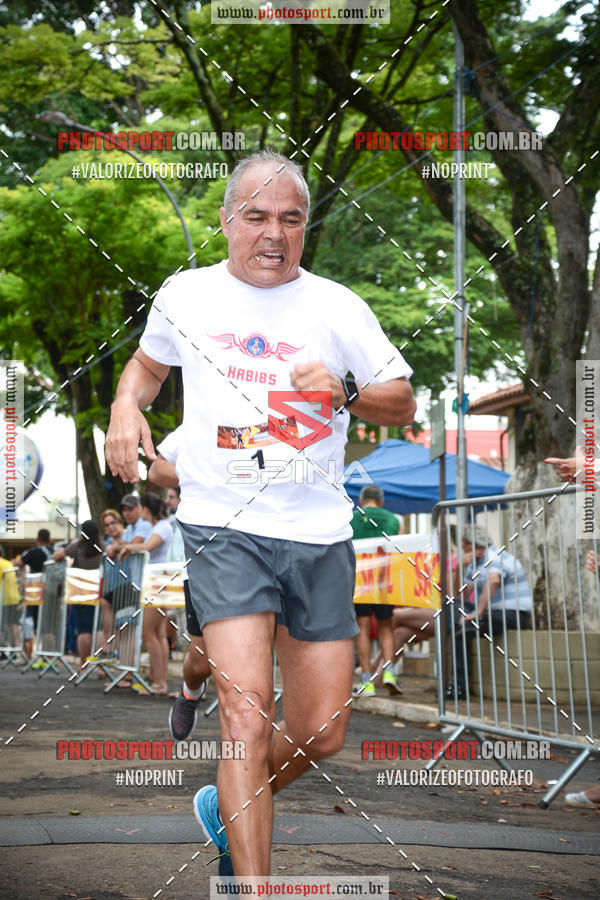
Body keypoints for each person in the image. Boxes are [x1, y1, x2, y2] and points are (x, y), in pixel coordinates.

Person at [105, 149, 416, 880]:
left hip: (316, 535)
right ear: (225, 222)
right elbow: (148, 367)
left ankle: (228, 806)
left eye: (290, 218)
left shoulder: (338, 307)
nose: (273, 232)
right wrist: (124, 406)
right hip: (223, 527)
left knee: (323, 732)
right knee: (244, 721)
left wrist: (344, 389)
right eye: (256, 216)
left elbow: (401, 401)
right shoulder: (185, 293)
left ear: (307, 227)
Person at [147, 428, 211, 737]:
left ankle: (246, 774)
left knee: (252, 663)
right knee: (201, 662)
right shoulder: (201, 419)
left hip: (271, 549)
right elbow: (156, 469)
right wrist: (208, 473)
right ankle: (190, 692)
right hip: (204, 564)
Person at [448, 524, 532, 700]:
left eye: (463, 543)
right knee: (450, 606)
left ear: (473, 544)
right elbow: (459, 595)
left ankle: (460, 687)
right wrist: (456, 568)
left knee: (462, 629)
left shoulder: (494, 555)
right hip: (492, 615)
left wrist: (478, 612)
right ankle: (459, 687)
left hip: (512, 615)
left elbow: (493, 580)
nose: (462, 548)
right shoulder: (476, 564)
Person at [119, 492, 173, 694]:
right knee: (157, 634)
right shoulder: (160, 526)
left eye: (140, 507)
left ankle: (160, 682)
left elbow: (148, 547)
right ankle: (159, 681)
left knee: (149, 633)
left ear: (146, 509)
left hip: (156, 582)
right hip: (156, 582)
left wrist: (127, 547)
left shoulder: (162, 527)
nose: (138, 511)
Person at [350, 485, 402, 696]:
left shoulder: (352, 517)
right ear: (381, 502)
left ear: (362, 501)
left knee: (362, 629)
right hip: (384, 580)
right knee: (386, 628)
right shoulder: (392, 519)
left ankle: (367, 682)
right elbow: (401, 547)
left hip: (360, 580)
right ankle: (389, 674)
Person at [53, 521, 104, 673]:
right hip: (99, 592)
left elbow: (57, 556)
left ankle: (83, 665)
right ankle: (101, 666)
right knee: (99, 629)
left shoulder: (77, 546)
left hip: (81, 593)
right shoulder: (103, 546)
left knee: (83, 630)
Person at [14, 528, 53, 659]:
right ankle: (49, 657)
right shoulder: (54, 552)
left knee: (36, 625)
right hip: (53, 592)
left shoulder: (34, 552)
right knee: (50, 626)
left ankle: (38, 656)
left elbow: (18, 563)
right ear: (49, 540)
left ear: (37, 540)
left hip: (37, 593)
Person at [0, 543, 22, 653]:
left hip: (3, 599)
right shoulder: (8, 563)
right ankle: (15, 649)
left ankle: (3, 650)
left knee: (3, 624)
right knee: (13, 624)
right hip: (15, 597)